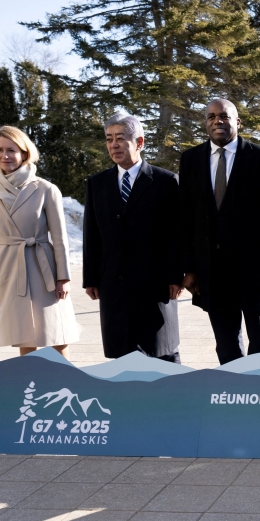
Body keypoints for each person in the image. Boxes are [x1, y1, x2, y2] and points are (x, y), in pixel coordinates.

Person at [179, 98, 260, 364]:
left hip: (256, 272)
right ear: (206, 123)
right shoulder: (191, 160)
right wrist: (189, 268)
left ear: (237, 122)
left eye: (225, 116)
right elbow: (186, 218)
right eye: (212, 116)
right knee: (226, 346)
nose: (218, 121)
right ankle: (235, 395)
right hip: (212, 273)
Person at [82, 114, 183, 362]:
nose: (113, 145)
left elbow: (177, 234)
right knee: (121, 352)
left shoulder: (165, 181)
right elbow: (91, 234)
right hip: (113, 282)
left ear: (139, 142)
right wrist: (90, 278)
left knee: (162, 349)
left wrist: (176, 276)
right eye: (109, 139)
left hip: (155, 282)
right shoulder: (97, 184)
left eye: (120, 138)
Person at [0, 126, 79, 356]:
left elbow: (60, 237)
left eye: (11, 150)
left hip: (44, 267)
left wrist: (63, 277)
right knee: (23, 333)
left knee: (56, 331)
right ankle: (30, 387)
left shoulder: (45, 189)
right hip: (9, 268)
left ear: (24, 153)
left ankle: (66, 382)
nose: (5, 156)